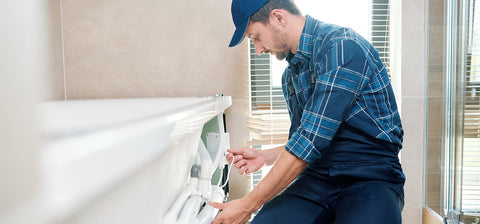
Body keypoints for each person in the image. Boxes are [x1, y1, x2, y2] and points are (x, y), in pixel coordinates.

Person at [210, 0, 406, 223]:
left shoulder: (342, 48)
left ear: (278, 18)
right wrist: (266, 157)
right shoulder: (290, 77)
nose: (259, 49)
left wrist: (248, 205)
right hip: (317, 177)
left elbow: (309, 142)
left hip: (370, 176)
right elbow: (313, 139)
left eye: (256, 37)